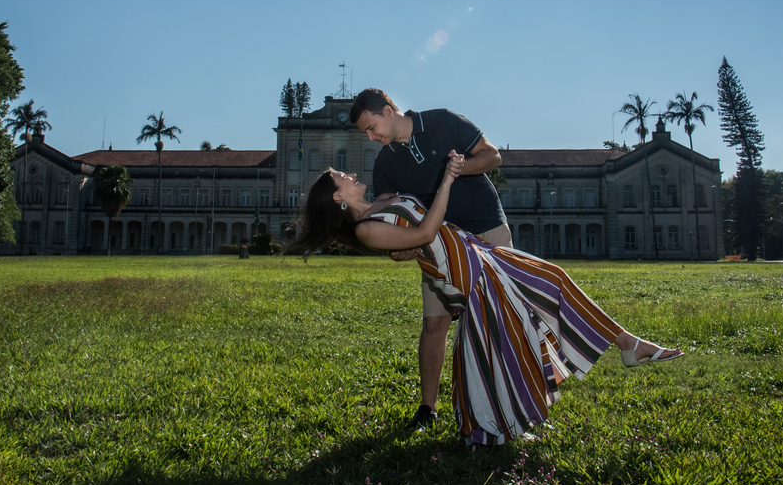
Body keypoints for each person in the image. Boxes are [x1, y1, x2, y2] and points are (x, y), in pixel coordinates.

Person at [289, 158, 683, 446]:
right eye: (343, 176)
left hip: (475, 251)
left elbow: (415, 232)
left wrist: (414, 236)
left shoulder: (382, 203)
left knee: (547, 286)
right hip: (464, 272)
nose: (352, 174)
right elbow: (426, 231)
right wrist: (447, 179)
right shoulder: (367, 230)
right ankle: (501, 420)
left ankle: (627, 345)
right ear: (338, 195)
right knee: (507, 333)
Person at [348, 88, 509, 431]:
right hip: (439, 248)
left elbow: (492, 156)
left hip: (487, 229)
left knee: (499, 321)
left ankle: (506, 404)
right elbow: (389, 218)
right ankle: (427, 408)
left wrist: (461, 166)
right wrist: (399, 249)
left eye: (372, 127)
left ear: (389, 112)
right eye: (366, 133)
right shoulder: (385, 164)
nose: (370, 137)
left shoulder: (443, 121)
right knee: (435, 324)